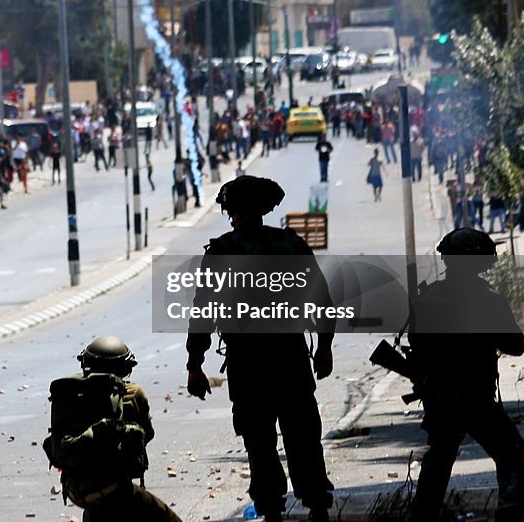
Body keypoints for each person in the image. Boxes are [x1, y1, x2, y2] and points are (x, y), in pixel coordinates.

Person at [186, 176, 335, 522]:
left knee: (260, 443)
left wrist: (195, 363)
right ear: (266, 208)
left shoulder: (221, 252)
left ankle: (271, 512)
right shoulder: (291, 245)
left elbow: (203, 312)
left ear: (230, 211)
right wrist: (324, 347)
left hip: (248, 364)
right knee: (303, 436)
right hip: (291, 358)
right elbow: (323, 301)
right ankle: (317, 507)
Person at [405, 228, 524, 522]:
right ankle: (509, 512)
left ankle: (421, 518)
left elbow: (417, 347)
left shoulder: (426, 300)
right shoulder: (489, 301)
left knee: (437, 466)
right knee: (515, 461)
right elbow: (515, 346)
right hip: (477, 399)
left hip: (441, 400)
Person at [51, 336, 181, 522]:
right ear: (124, 368)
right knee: (168, 518)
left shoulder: (70, 393)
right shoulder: (132, 392)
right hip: (114, 488)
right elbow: (147, 434)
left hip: (75, 490)